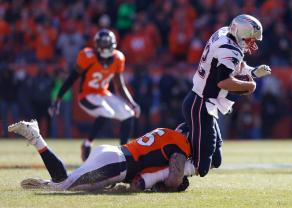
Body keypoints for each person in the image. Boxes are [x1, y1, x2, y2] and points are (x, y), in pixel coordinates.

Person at [181, 14, 271, 177]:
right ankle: (162, 173)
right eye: (251, 38)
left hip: (203, 103)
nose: (253, 43)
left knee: (216, 160)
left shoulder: (224, 33)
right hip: (200, 104)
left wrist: (253, 72)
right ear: (241, 33)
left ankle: (186, 132)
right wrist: (249, 86)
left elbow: (234, 65)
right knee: (201, 167)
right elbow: (223, 82)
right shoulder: (230, 49)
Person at [8, 119, 194, 192]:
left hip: (110, 153)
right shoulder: (180, 141)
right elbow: (168, 176)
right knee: (63, 185)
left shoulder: (164, 131)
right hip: (117, 164)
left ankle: (46, 184)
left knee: (75, 186)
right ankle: (36, 136)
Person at [48, 29, 141, 161]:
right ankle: (87, 144)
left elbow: (120, 85)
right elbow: (72, 78)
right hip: (87, 95)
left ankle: (124, 153)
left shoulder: (118, 58)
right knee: (107, 113)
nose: (104, 46)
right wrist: (58, 99)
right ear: (96, 44)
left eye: (106, 43)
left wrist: (132, 103)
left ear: (113, 44)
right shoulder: (87, 56)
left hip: (103, 93)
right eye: (102, 43)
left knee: (129, 113)